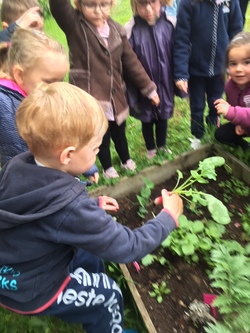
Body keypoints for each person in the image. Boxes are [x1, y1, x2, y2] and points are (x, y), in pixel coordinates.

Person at [0, 81, 183, 333]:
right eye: (96, 148)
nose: (97, 154)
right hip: (35, 289)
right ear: (67, 155)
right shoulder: (71, 209)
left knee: (88, 252)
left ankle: (84, 281)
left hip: (13, 267)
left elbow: (42, 209)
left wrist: (92, 203)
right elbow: (128, 247)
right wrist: (168, 217)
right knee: (108, 295)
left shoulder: (17, 166)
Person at [49, 0, 160, 179]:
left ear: (112, 4)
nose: (98, 11)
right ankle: (108, 167)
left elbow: (131, 62)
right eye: (91, 5)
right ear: (79, 5)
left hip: (115, 96)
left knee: (119, 132)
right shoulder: (75, 25)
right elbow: (59, 6)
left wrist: (149, 89)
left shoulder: (117, 30)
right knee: (101, 136)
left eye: (103, 5)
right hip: (90, 96)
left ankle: (126, 160)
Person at [0, 29, 99, 182]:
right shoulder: (4, 106)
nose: (57, 87)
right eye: (50, 81)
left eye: (61, 80)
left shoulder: (47, 96)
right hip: (32, 184)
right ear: (19, 75)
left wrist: (87, 167)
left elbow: (70, 134)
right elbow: (17, 157)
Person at [173, 0, 243, 148]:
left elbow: (235, 35)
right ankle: (197, 136)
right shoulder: (189, 3)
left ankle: (213, 134)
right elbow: (181, 40)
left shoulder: (230, 2)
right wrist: (181, 73)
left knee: (215, 103)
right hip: (195, 69)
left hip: (220, 69)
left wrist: (233, 65)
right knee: (197, 105)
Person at [125, 0, 175, 159]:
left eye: (152, 2)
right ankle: (151, 149)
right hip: (143, 86)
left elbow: (178, 52)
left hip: (165, 82)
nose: (147, 9)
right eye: (141, 4)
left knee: (163, 116)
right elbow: (128, 61)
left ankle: (161, 145)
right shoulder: (131, 30)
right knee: (146, 118)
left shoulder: (170, 24)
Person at [214, 31, 250, 151]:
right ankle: (244, 146)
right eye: (233, 64)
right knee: (221, 134)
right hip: (246, 125)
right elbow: (236, 107)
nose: (238, 69)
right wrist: (240, 123)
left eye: (246, 62)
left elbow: (235, 111)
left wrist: (231, 111)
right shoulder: (230, 86)